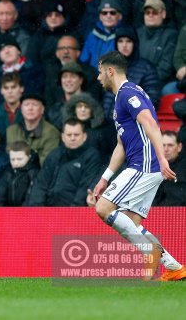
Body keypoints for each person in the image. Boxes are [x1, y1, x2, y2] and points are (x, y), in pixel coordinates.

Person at [90, 51, 185, 281]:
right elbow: (122, 143)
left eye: (100, 72)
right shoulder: (122, 97)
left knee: (103, 208)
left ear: (110, 71)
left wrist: (162, 158)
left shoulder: (127, 93)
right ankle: (174, 267)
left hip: (144, 164)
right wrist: (106, 177)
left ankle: (150, 253)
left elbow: (151, 123)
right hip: (144, 164)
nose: (98, 77)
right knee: (132, 224)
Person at [28, 118, 102, 206]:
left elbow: (85, 188)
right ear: (63, 137)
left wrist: (73, 212)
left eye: (76, 134)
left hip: (74, 212)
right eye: (69, 135)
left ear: (84, 136)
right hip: (48, 210)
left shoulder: (92, 156)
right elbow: (41, 184)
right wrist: (36, 210)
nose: (72, 138)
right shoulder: (54, 154)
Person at [102, 26, 160, 120]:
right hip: (108, 124)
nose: (124, 45)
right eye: (120, 41)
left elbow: (152, 101)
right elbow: (103, 99)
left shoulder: (146, 68)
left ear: (135, 44)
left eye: (128, 41)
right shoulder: (109, 68)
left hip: (131, 124)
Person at [137, 0, 178, 95]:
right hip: (137, 80)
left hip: (160, 82)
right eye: (147, 12)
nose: (150, 15)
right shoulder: (137, 33)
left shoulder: (171, 35)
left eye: (154, 12)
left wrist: (146, 81)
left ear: (163, 14)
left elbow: (165, 68)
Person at [43, 35, 102, 105]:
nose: (66, 51)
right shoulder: (50, 72)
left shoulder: (90, 73)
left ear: (78, 53)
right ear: (57, 54)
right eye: (62, 48)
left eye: (70, 48)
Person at [6, 93, 60, 165]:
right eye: (26, 105)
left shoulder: (51, 133)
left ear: (42, 109)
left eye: (35, 105)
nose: (30, 108)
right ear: (21, 109)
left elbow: (47, 163)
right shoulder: (11, 130)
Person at [80, 0, 123, 69]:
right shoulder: (92, 36)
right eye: (104, 13)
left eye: (112, 13)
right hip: (93, 79)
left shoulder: (124, 35)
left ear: (120, 16)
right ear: (100, 16)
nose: (108, 16)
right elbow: (83, 60)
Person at [0, 140, 40, 207]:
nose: (15, 163)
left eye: (19, 159)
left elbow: (30, 199)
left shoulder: (33, 174)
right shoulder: (9, 173)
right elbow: (0, 197)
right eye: (12, 159)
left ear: (29, 157)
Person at [0, 72, 24, 137]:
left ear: (21, 89)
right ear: (1, 91)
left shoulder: (31, 112)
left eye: (13, 87)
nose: (10, 91)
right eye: (6, 88)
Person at [153, 131, 186, 206]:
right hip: (154, 214)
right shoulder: (151, 168)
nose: (166, 149)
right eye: (163, 145)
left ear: (179, 147)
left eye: (170, 145)